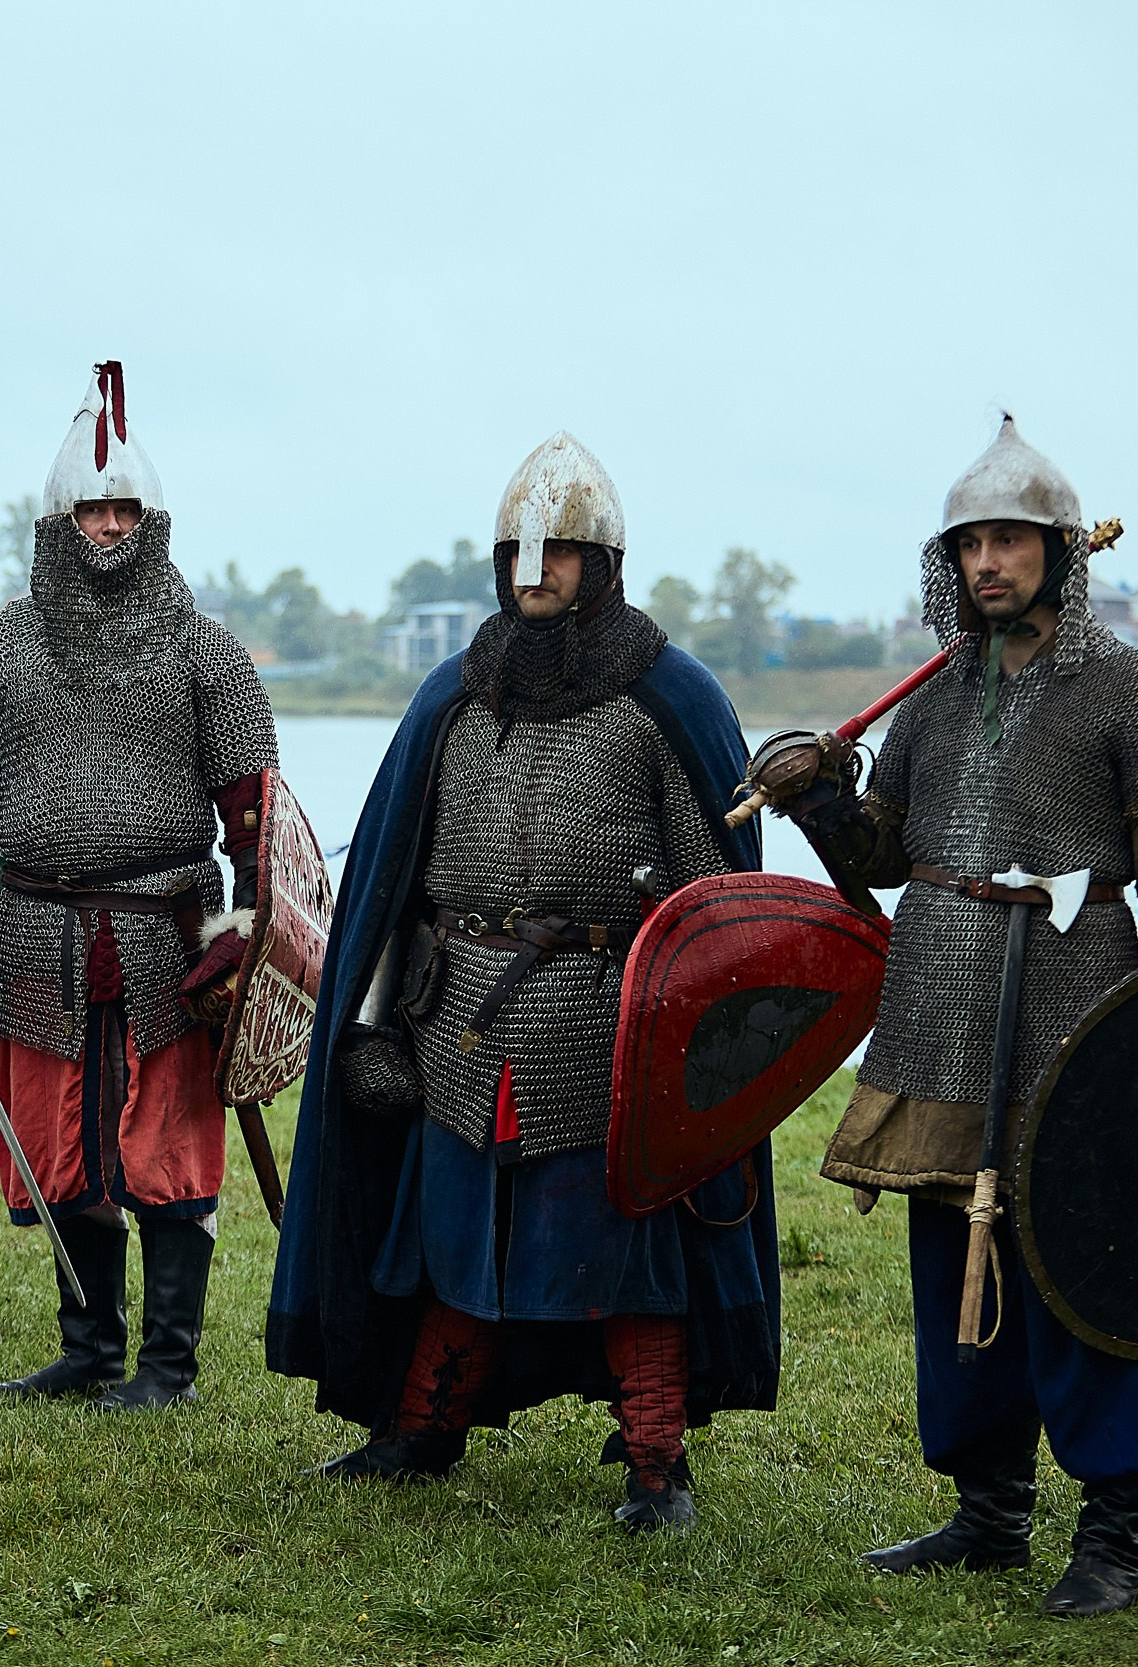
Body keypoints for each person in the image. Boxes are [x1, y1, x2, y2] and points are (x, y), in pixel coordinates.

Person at [266, 432, 780, 1531]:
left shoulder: (667, 695)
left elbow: (718, 900)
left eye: (558, 552)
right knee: (455, 1231)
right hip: (457, 1013)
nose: (534, 572)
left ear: (602, 562)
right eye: (518, 553)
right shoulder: (456, 695)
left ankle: (655, 1464)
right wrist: (367, 1025)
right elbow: (394, 885)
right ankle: (421, 1428)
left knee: (621, 1245)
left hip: (609, 1018)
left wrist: (699, 1044)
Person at [806, 416, 1138, 1617]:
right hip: (945, 1010)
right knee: (954, 1259)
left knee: (1088, 1264)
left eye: (1008, 540)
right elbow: (883, 858)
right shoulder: (937, 698)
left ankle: (1113, 1534)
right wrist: (821, 801)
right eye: (969, 544)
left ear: (1059, 549)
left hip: (1077, 1011)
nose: (986, 562)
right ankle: (988, 1510)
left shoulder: (1132, 693)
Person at [0, 362, 277, 1411]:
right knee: (62, 1147)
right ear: (58, 523)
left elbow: (256, 811)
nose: (107, 525)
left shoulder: (207, 653)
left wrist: (246, 934)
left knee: (163, 1148)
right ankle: (87, 1349)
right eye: (90, 509)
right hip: (37, 931)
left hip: (168, 933)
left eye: (122, 509)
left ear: (149, 521)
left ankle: (166, 1366)